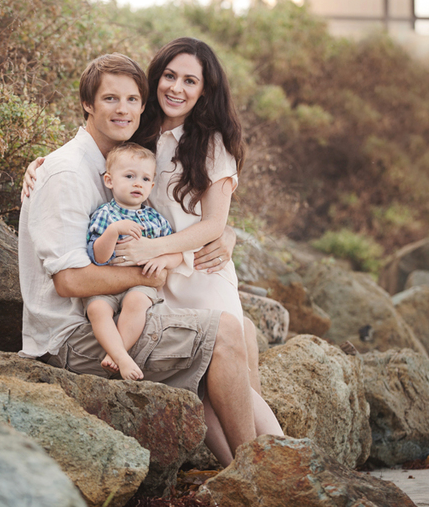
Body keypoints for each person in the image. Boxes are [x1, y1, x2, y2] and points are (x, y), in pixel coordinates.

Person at [18, 50, 279, 466]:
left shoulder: (124, 156)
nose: (123, 109)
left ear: (144, 105)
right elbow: (68, 282)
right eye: (109, 100)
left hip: (167, 280)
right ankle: (259, 471)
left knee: (236, 333)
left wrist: (222, 233)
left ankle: (257, 469)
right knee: (227, 335)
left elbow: (205, 216)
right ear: (87, 103)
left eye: (131, 101)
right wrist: (149, 274)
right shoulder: (70, 170)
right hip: (78, 330)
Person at [84, 142, 182, 380]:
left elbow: (177, 252)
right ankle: (121, 356)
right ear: (110, 181)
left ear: (152, 185)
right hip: (107, 282)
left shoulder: (155, 219)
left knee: (137, 301)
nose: (138, 183)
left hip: (140, 284)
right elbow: (98, 256)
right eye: (129, 176)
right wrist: (113, 231)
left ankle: (119, 353)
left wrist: (165, 260)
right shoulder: (105, 214)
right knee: (96, 308)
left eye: (145, 179)